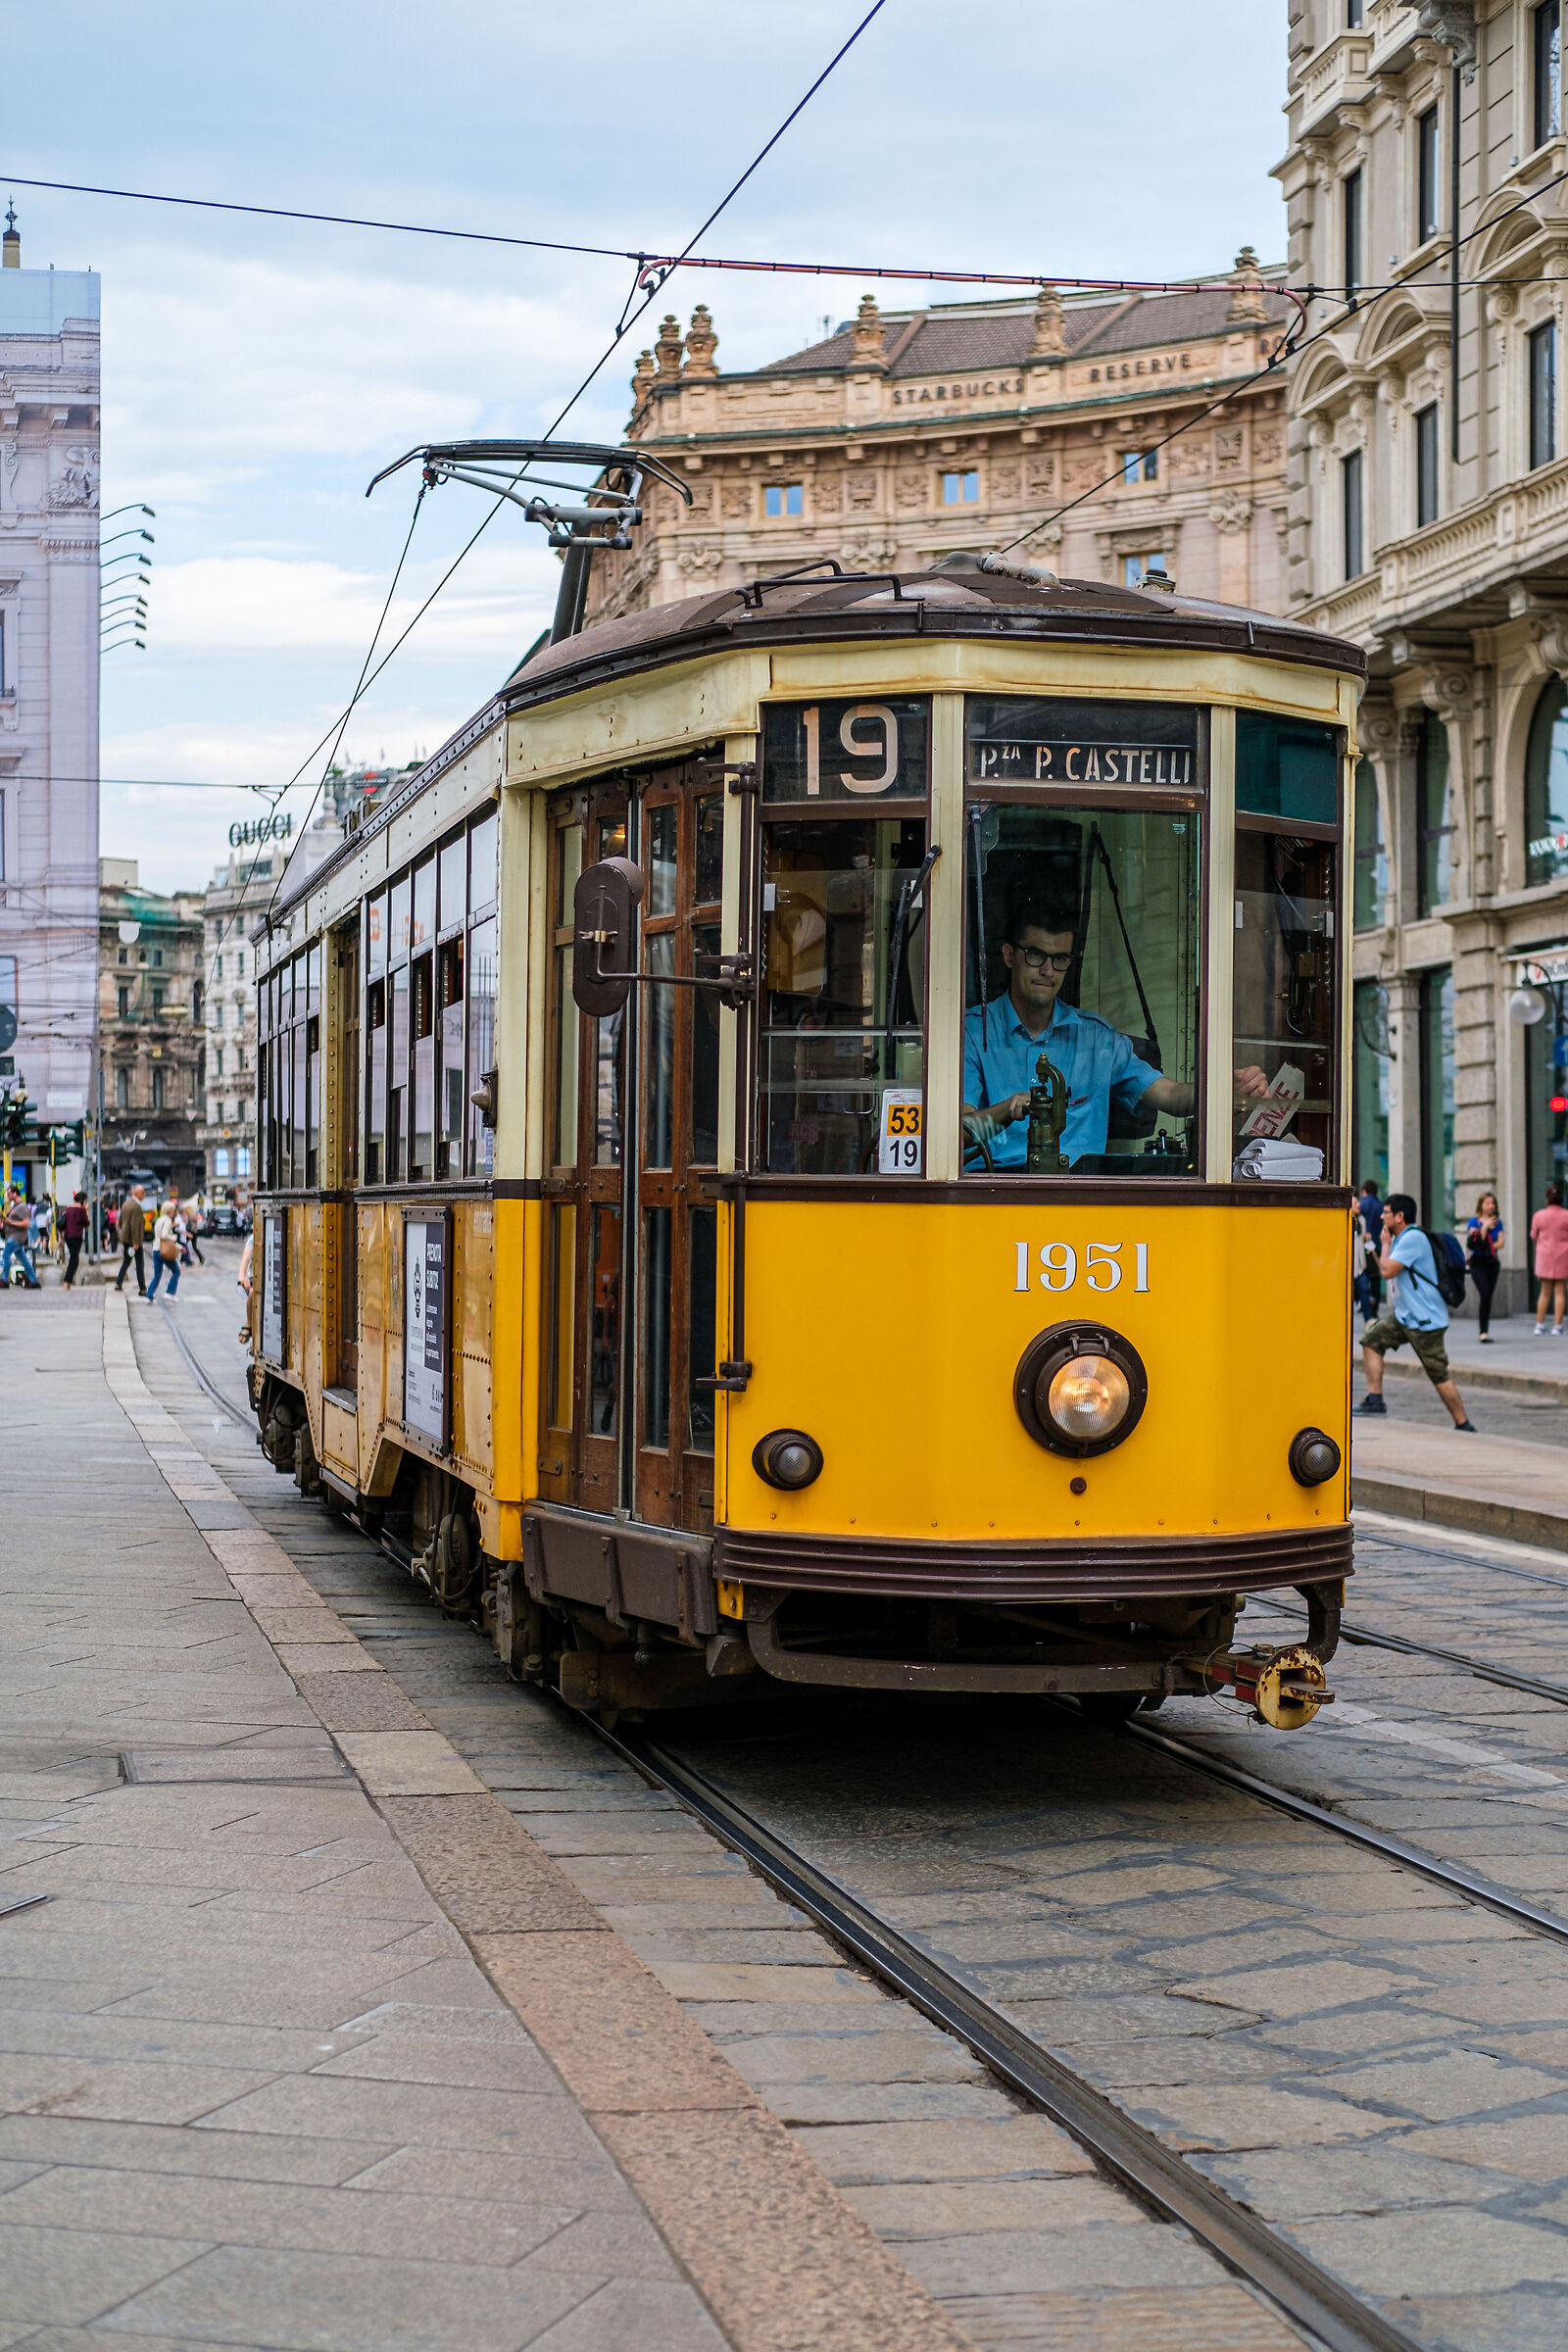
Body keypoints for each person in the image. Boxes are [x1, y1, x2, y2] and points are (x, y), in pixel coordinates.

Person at [962, 902, 1268, 1166]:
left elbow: (1171, 1095)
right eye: (1035, 955)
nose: (1048, 970)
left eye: (1060, 959)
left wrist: (1225, 1088)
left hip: (1082, 1198)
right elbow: (959, 1132)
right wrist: (1009, 1108)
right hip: (992, 1191)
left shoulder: (1097, 1038)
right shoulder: (972, 1032)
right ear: (1009, 955)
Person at [1356, 1193, 1475, 1430]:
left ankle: (1463, 1423)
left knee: (1438, 1374)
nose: (1381, 1215)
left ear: (1399, 1216)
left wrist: (1385, 1244)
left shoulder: (1412, 1239)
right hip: (1405, 1317)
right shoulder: (1402, 1238)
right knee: (1371, 1342)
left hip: (1425, 1320)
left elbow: (1387, 1271)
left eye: (1386, 1212)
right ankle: (1375, 1400)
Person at [1466, 1190, 1505, 1343]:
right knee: (1485, 1292)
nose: (1490, 1206)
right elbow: (1476, 1243)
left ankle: (1485, 1331)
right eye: (1487, 1203)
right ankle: (1483, 1331)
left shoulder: (1498, 1222)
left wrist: (1489, 1246)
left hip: (1492, 1263)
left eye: (1492, 1203)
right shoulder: (1473, 1222)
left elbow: (1501, 1242)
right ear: (1481, 1205)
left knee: (1488, 1297)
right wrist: (1484, 1227)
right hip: (1477, 1262)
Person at [1531, 1181, 1568, 1336]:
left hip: (1544, 1256)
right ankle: (1557, 1326)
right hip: (1563, 1256)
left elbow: (1533, 1235)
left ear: (1547, 1199)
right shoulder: (1566, 1215)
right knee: (1560, 1291)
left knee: (1545, 1291)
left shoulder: (1539, 1215)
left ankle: (1539, 1325)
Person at [1356, 1177, 1384, 1325]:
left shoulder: (1362, 1206)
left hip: (1365, 1247)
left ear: (1364, 1191)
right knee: (1376, 1279)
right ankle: (1374, 1309)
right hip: (1378, 1246)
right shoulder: (1381, 1206)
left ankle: (1365, 1304)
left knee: (1363, 1275)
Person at [1, 1187, 40, 1290]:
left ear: (15, 1194)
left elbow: (26, 1224)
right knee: (23, 1260)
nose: (7, 1196)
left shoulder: (22, 1207)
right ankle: (34, 1281)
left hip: (16, 1237)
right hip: (14, 1236)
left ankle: (4, 1280)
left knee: (5, 1255)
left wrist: (10, 1222)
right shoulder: (15, 1206)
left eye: (9, 1194)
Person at [114, 1185, 148, 1296]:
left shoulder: (125, 1204)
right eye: (142, 1192)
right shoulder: (136, 1206)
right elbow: (134, 1225)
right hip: (134, 1240)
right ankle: (142, 1288)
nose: (144, 1194)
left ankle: (118, 1283)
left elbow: (119, 1220)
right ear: (136, 1193)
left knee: (127, 1261)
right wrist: (136, 1242)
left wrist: (121, 1234)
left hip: (125, 1238)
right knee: (139, 1264)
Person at [146, 1201, 180, 1301]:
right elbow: (164, 1235)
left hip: (156, 1249)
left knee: (157, 1275)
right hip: (164, 1250)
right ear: (170, 1211)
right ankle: (170, 1292)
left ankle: (149, 1295)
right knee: (176, 1271)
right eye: (173, 1210)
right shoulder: (168, 1221)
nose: (174, 1212)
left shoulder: (159, 1220)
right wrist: (174, 1237)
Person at [61, 1191, 89, 1289]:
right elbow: (87, 1223)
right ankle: (67, 1281)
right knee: (74, 1260)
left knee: (73, 1258)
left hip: (68, 1237)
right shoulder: (81, 1210)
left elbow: (63, 1224)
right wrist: (86, 1210)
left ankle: (68, 1282)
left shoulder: (68, 1209)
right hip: (77, 1237)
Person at [236, 1227, 254, 1343]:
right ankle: (249, 1323)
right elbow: (246, 1258)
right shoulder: (253, 1238)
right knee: (254, 1292)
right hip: (254, 1278)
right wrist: (242, 1276)